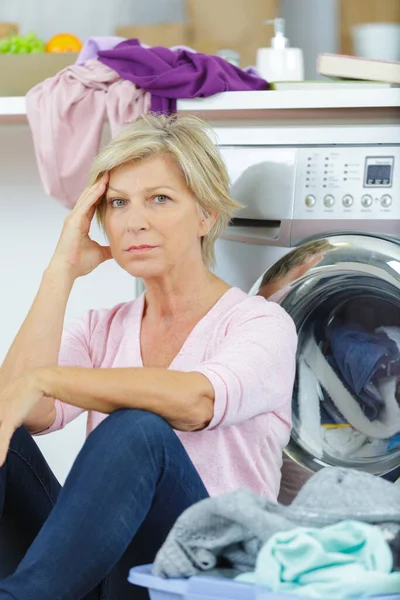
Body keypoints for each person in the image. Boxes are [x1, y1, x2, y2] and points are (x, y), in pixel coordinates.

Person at [0, 114, 297, 600]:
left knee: (139, 426)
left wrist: (49, 380)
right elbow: (14, 409)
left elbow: (196, 402)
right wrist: (61, 270)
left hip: (206, 575)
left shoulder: (259, 324)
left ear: (204, 214)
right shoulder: (103, 327)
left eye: (159, 198)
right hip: (104, 575)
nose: (135, 220)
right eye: (118, 203)